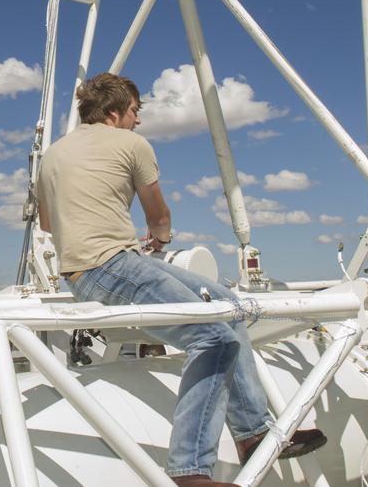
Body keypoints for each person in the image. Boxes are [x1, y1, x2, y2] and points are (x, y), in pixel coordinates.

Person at [37, 73, 325, 487]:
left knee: (230, 305)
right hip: (110, 266)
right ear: (115, 112)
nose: (138, 120)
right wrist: (161, 239)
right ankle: (190, 470)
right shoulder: (133, 145)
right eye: (136, 111)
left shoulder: (53, 154)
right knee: (214, 336)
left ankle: (253, 433)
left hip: (91, 268)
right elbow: (159, 215)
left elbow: (48, 222)